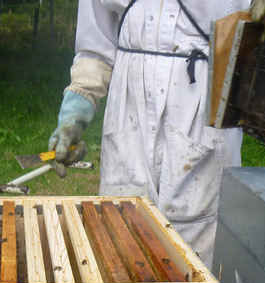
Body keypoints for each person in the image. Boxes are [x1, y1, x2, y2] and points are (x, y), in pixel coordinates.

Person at [49, 0, 250, 265]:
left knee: (198, 248)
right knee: (120, 230)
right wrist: (75, 112)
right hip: (129, 109)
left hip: (204, 102)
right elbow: (96, 45)